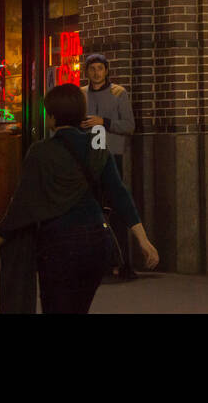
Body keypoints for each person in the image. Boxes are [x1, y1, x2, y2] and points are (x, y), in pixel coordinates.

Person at [0, 84, 158, 314]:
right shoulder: (97, 148)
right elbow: (119, 193)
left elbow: (23, 203)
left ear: (51, 118)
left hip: (58, 242)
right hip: (96, 241)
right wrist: (143, 239)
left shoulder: (40, 152)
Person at [80, 53, 137, 278]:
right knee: (91, 210)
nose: (96, 73)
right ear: (87, 72)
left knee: (116, 208)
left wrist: (104, 122)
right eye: (92, 69)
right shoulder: (81, 94)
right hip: (88, 157)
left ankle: (122, 263)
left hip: (112, 155)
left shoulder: (119, 93)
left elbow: (129, 125)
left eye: (100, 68)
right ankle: (97, 263)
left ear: (106, 71)